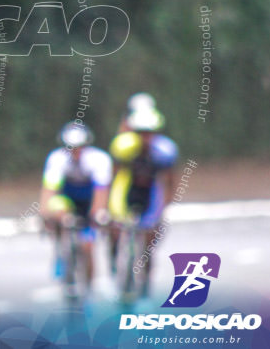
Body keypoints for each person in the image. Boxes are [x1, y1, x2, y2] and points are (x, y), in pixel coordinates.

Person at [107, 106, 178, 297]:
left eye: (149, 134)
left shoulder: (164, 152)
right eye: (141, 133)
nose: (145, 138)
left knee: (148, 239)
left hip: (151, 192)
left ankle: (145, 277)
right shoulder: (123, 148)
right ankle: (115, 257)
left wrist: (165, 207)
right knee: (116, 226)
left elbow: (169, 181)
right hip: (127, 190)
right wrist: (110, 208)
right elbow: (114, 177)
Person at [39, 122, 112, 296]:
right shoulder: (56, 159)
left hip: (89, 200)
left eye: (79, 148)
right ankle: (59, 248)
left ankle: (89, 288)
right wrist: (45, 215)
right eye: (70, 148)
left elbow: (101, 193)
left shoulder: (99, 160)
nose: (75, 152)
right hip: (68, 198)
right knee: (55, 211)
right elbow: (49, 191)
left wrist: (97, 215)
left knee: (88, 247)